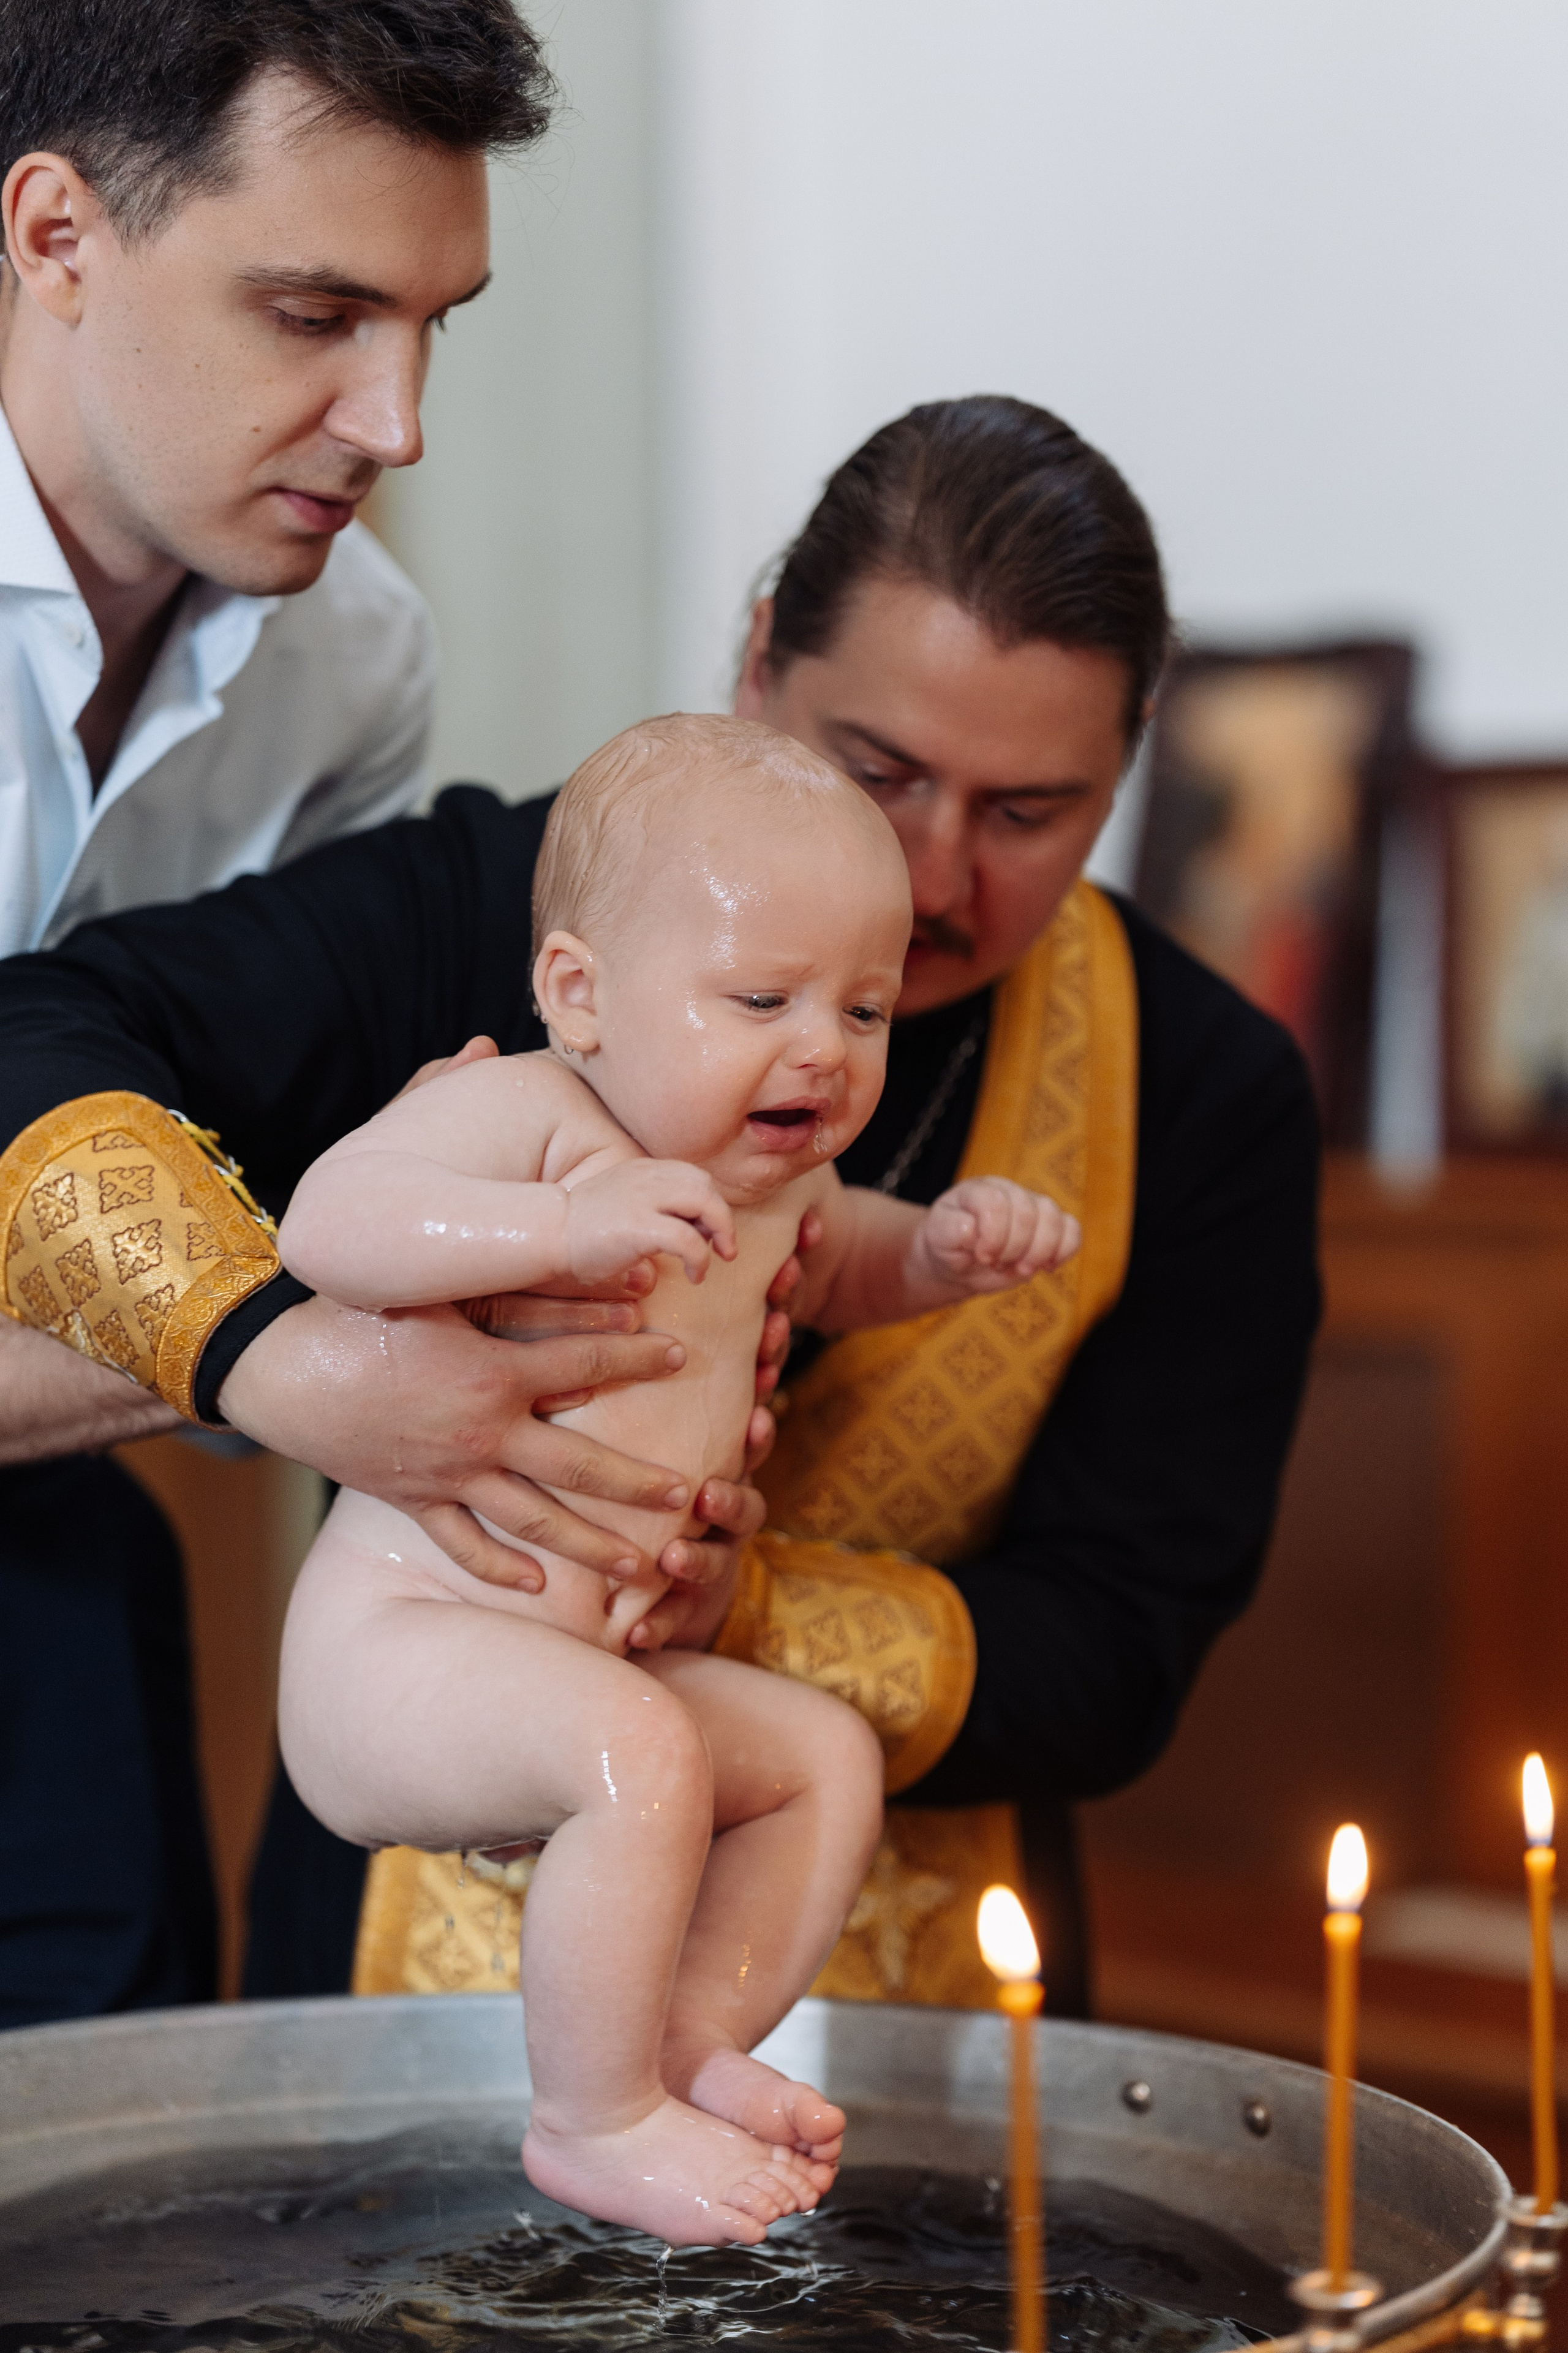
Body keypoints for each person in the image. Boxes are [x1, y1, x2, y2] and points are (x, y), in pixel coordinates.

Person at [0, 395, 1321, 2018]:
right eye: (879, 772)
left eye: (1030, 813)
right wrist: (281, 1346)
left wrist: (738, 1603)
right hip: (402, 1948)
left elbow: (1120, 1648)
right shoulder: (512, 903)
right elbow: (37, 1033)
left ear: (1124, 775)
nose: (930, 877)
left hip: (913, 1985)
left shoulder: (1201, 1088)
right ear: (761, 661)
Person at [0, 0, 763, 2030]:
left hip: (53, 1574)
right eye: (317, 315)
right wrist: (297, 1352)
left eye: (439, 322)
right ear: (57, 236)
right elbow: (303, 1292)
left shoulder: (358, 660)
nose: (398, 422)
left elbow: (318, 1206)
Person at [274, 714, 1074, 2240]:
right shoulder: (528, 1118)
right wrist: (555, 1236)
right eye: (760, 998)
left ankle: (682, 2043)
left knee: (817, 1757)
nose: (822, 1050)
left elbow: (853, 1267)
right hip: (400, 1651)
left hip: (583, 1662)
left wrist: (944, 1252)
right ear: (578, 994)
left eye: (862, 1008)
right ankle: (592, 2117)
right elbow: (330, 1222)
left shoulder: (782, 1187)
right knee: (638, 1750)